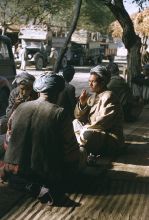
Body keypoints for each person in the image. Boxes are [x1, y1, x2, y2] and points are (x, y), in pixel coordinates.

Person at [2, 73, 85, 205]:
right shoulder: (60, 113)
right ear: (58, 92)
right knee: (81, 153)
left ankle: (21, 182)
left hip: (13, 169)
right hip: (44, 174)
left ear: (38, 90)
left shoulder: (20, 107)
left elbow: (8, 142)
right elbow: (71, 152)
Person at [73, 65, 124, 157]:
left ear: (103, 82)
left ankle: (81, 148)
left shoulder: (109, 96)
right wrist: (82, 103)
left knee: (87, 134)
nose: (90, 84)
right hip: (93, 130)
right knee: (75, 122)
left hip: (110, 137)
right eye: (89, 81)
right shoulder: (92, 97)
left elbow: (103, 123)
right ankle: (82, 147)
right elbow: (79, 118)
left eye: (93, 82)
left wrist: (85, 128)